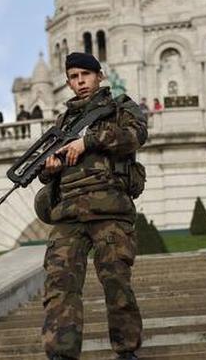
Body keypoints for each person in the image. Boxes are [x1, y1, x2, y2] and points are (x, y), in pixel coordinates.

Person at [38, 51, 147, 360]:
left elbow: (137, 135)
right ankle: (61, 353)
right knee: (59, 285)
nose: (80, 82)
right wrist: (50, 166)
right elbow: (48, 176)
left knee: (116, 282)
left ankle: (126, 351)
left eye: (85, 75)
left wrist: (88, 142)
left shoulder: (120, 108)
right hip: (69, 214)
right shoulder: (62, 122)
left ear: (99, 75)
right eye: (73, 77)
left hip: (110, 209)